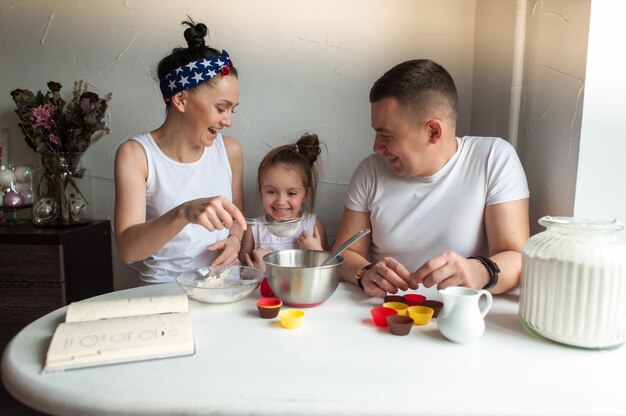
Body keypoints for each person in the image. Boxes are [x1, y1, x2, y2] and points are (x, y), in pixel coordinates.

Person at [333, 59, 529, 298]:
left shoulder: (493, 158)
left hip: (455, 313)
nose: (376, 147)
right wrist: (364, 273)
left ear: (433, 131)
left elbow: (518, 257)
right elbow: (345, 254)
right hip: (382, 312)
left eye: (386, 135)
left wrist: (478, 270)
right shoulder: (370, 171)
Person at [114, 19, 247, 284]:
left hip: (225, 286)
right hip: (164, 293)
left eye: (233, 110)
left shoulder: (230, 151)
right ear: (181, 99)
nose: (228, 120)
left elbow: (237, 222)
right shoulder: (137, 155)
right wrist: (183, 213)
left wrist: (233, 242)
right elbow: (128, 251)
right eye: (221, 108)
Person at [241, 133, 330, 271]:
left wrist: (317, 253)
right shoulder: (254, 229)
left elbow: (330, 271)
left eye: (292, 193)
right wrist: (257, 270)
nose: (281, 202)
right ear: (261, 190)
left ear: (306, 194)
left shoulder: (312, 226)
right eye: (271, 192)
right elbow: (240, 273)